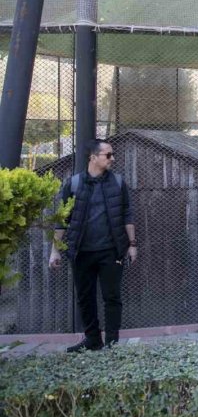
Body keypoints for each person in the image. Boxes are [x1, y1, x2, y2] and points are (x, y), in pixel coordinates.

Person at [49, 139, 136, 352]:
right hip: (81, 252)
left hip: (111, 251)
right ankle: (92, 340)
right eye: (108, 155)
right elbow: (62, 218)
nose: (112, 158)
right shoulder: (74, 184)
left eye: (112, 154)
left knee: (112, 297)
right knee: (85, 298)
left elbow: (127, 213)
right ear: (93, 157)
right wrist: (55, 250)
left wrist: (132, 244)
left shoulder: (117, 182)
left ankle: (112, 344)